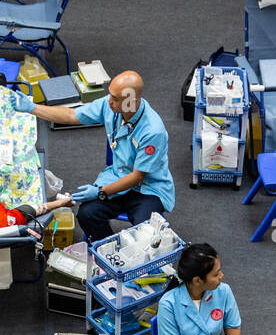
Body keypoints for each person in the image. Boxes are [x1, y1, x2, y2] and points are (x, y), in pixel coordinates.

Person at [11, 70, 175, 242]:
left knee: (145, 233)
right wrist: (33, 108)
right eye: (110, 95)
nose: (109, 101)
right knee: (87, 214)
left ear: (131, 101)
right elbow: (70, 115)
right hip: (117, 177)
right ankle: (109, 250)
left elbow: (137, 176)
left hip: (148, 189)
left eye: (116, 99)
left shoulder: (153, 131)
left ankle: (129, 260)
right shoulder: (110, 105)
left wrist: (100, 192)